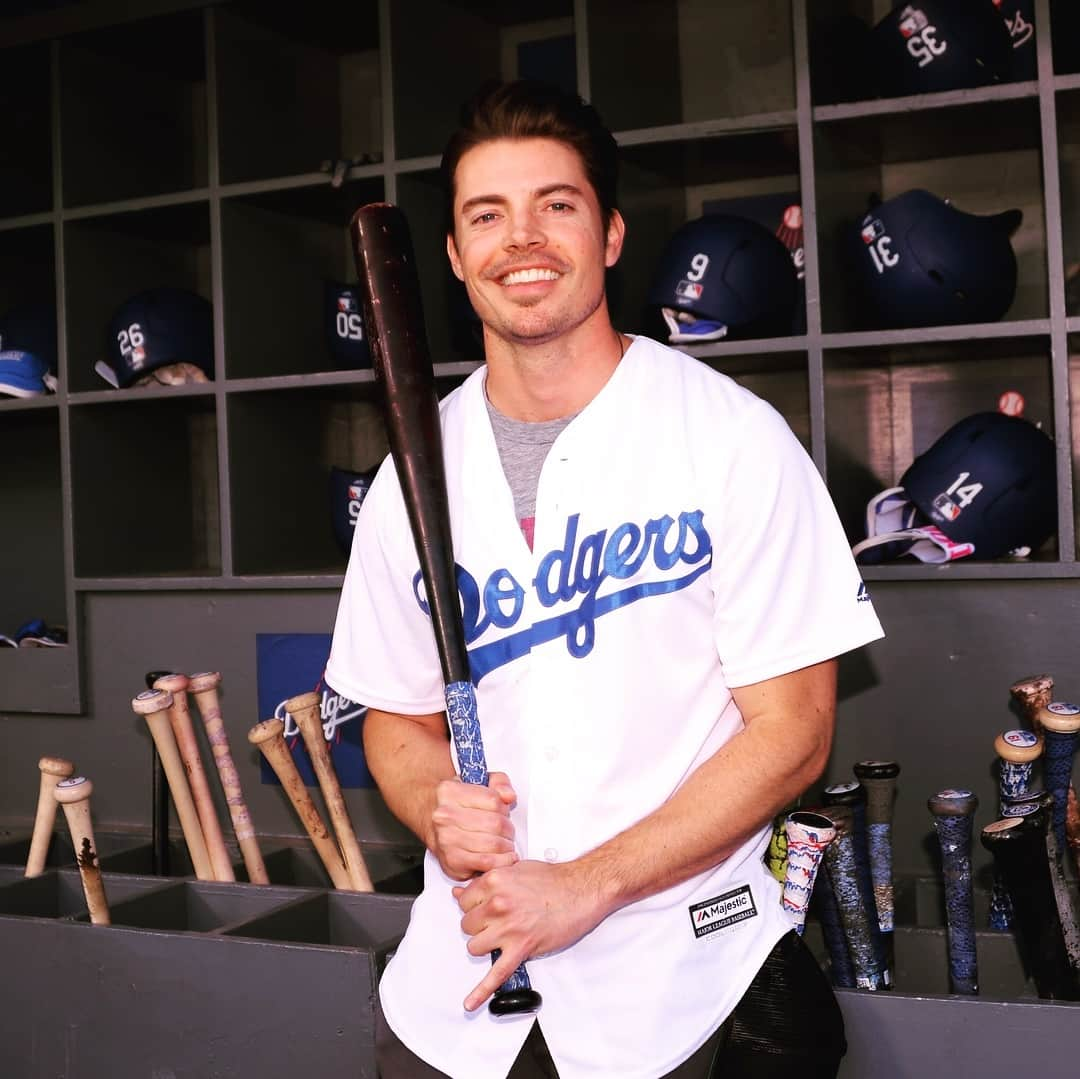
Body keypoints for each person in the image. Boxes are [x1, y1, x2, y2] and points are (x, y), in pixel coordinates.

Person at [325, 79, 884, 1079]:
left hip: (681, 988)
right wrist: (430, 804)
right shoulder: (409, 478)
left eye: (557, 205)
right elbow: (393, 720)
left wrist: (589, 881)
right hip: (455, 998)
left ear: (612, 233)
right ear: (453, 257)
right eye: (486, 215)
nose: (522, 239)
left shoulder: (730, 437)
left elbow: (795, 729)